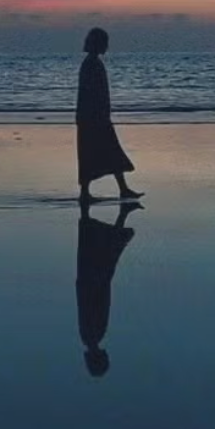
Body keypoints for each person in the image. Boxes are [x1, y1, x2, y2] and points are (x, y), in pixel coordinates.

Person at [76, 198, 141, 377]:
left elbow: (96, 306)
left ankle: (123, 212)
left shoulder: (92, 336)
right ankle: (122, 212)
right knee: (105, 249)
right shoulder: (90, 337)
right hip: (91, 283)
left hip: (94, 283)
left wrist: (102, 283)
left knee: (105, 249)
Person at [76, 27, 143, 201]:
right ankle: (87, 192)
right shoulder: (91, 64)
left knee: (106, 152)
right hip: (94, 117)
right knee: (95, 153)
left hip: (94, 116)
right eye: (105, 43)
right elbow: (89, 93)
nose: (107, 46)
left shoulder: (92, 63)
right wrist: (98, 114)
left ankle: (121, 189)